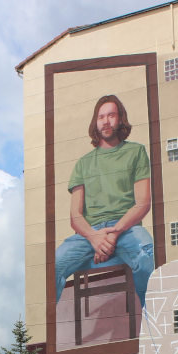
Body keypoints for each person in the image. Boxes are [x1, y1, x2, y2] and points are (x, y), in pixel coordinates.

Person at [54, 94, 154, 307]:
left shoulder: (135, 152)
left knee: (146, 256)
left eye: (111, 115)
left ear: (120, 120)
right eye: (101, 117)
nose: (106, 121)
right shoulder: (83, 163)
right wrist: (94, 238)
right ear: (95, 122)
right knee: (54, 264)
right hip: (90, 234)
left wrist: (115, 233)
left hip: (126, 229)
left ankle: (151, 325)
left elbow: (143, 203)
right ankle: (45, 332)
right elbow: (75, 216)